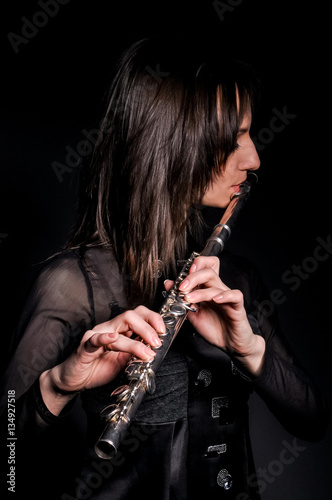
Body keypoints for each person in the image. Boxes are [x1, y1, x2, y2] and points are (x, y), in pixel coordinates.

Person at [0, 37, 328, 500]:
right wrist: (57, 383)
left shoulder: (232, 278)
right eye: (234, 139)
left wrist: (250, 348)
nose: (254, 159)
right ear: (174, 145)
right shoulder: (74, 285)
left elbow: (313, 421)